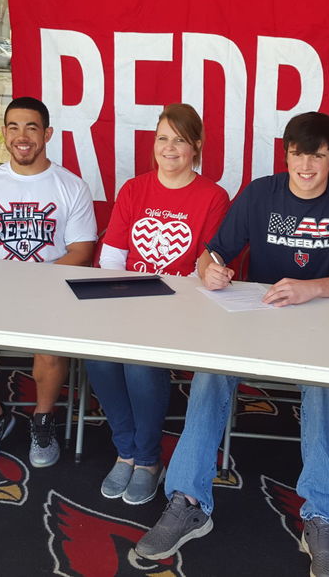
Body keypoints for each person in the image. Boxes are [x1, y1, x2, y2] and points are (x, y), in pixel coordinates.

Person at [135, 112, 329, 577]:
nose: (306, 165)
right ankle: (188, 500)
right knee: (210, 372)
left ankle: (321, 516)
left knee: (323, 386)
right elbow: (211, 252)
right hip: (257, 318)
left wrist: (311, 287)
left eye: (317, 155)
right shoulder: (260, 193)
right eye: (298, 154)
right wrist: (208, 269)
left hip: (320, 322)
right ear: (287, 154)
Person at [87, 104, 230, 505]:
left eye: (180, 140)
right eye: (162, 138)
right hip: (128, 300)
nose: (169, 148)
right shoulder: (134, 189)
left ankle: (148, 460)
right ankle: (125, 450)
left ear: (196, 147)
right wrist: (122, 299)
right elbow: (112, 256)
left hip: (180, 309)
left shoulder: (214, 196)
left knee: (137, 362)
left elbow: (208, 262)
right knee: (98, 358)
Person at [0, 96, 97, 469]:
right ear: (4, 133)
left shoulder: (71, 186)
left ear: (46, 133)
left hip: (52, 292)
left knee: (49, 340)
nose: (22, 135)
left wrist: (36, 284)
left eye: (31, 126)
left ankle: (42, 419)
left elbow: (82, 250)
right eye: (13, 126)